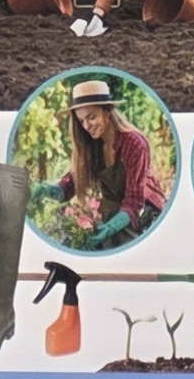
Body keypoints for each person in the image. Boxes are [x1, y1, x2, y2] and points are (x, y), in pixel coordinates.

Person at [54, 78, 169, 250]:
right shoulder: (93, 145)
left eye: (91, 117)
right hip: (115, 211)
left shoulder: (134, 144)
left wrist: (109, 228)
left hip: (144, 215)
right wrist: (50, 190)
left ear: (107, 111)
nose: (86, 126)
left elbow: (134, 201)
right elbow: (73, 180)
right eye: (81, 121)